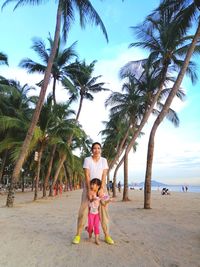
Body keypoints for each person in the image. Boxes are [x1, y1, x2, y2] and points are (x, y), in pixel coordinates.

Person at [72, 142, 114, 245]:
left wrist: (101, 189)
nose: (96, 150)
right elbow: (87, 175)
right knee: (83, 211)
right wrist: (89, 189)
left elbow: (104, 175)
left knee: (104, 212)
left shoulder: (104, 160)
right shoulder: (87, 160)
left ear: (101, 150)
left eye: (98, 148)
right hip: (89, 187)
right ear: (92, 150)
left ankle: (107, 235)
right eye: (94, 148)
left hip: (101, 188)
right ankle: (78, 235)